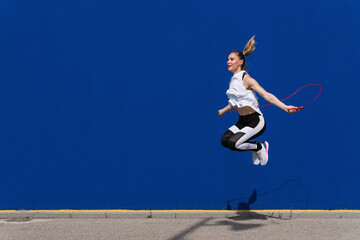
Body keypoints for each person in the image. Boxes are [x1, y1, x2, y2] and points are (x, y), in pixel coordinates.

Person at [218, 36, 298, 166]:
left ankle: (259, 147)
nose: (228, 61)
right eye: (227, 59)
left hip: (256, 121)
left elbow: (266, 95)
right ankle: (255, 148)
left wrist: (284, 107)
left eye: (231, 59)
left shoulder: (247, 79)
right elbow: (235, 103)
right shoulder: (231, 82)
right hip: (242, 121)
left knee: (233, 143)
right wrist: (223, 110)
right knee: (224, 140)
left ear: (240, 62)